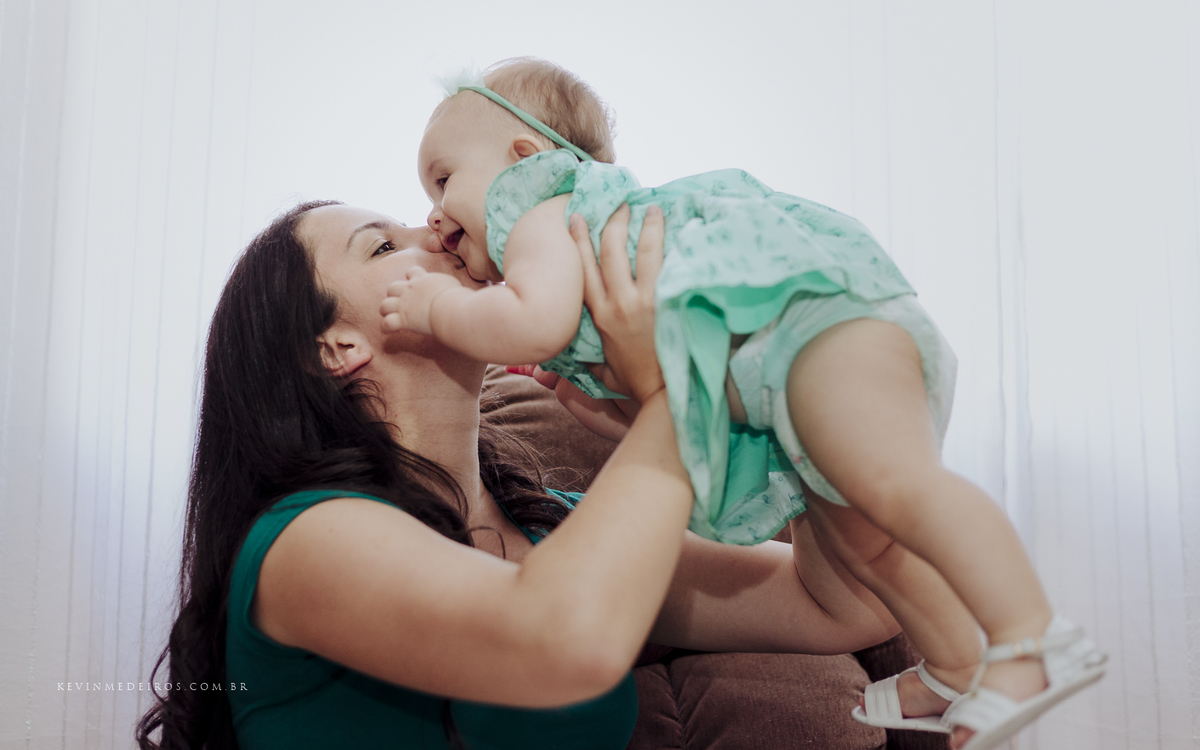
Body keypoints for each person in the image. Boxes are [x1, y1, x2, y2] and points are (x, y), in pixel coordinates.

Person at [379, 57, 1107, 749]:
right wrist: (642, 401)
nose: (430, 219)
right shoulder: (569, 251)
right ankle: (956, 666)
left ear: (524, 156)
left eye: (442, 180)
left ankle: (1029, 636)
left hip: (810, 328)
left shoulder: (542, 210)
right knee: (867, 540)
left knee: (899, 487)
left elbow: (533, 321)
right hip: (786, 372)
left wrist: (436, 306)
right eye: (390, 239)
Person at [135, 199, 901, 750]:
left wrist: (782, 399)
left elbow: (848, 605)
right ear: (337, 348)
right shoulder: (306, 540)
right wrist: (677, 398)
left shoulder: (556, 531)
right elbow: (563, 642)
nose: (437, 227)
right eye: (384, 245)